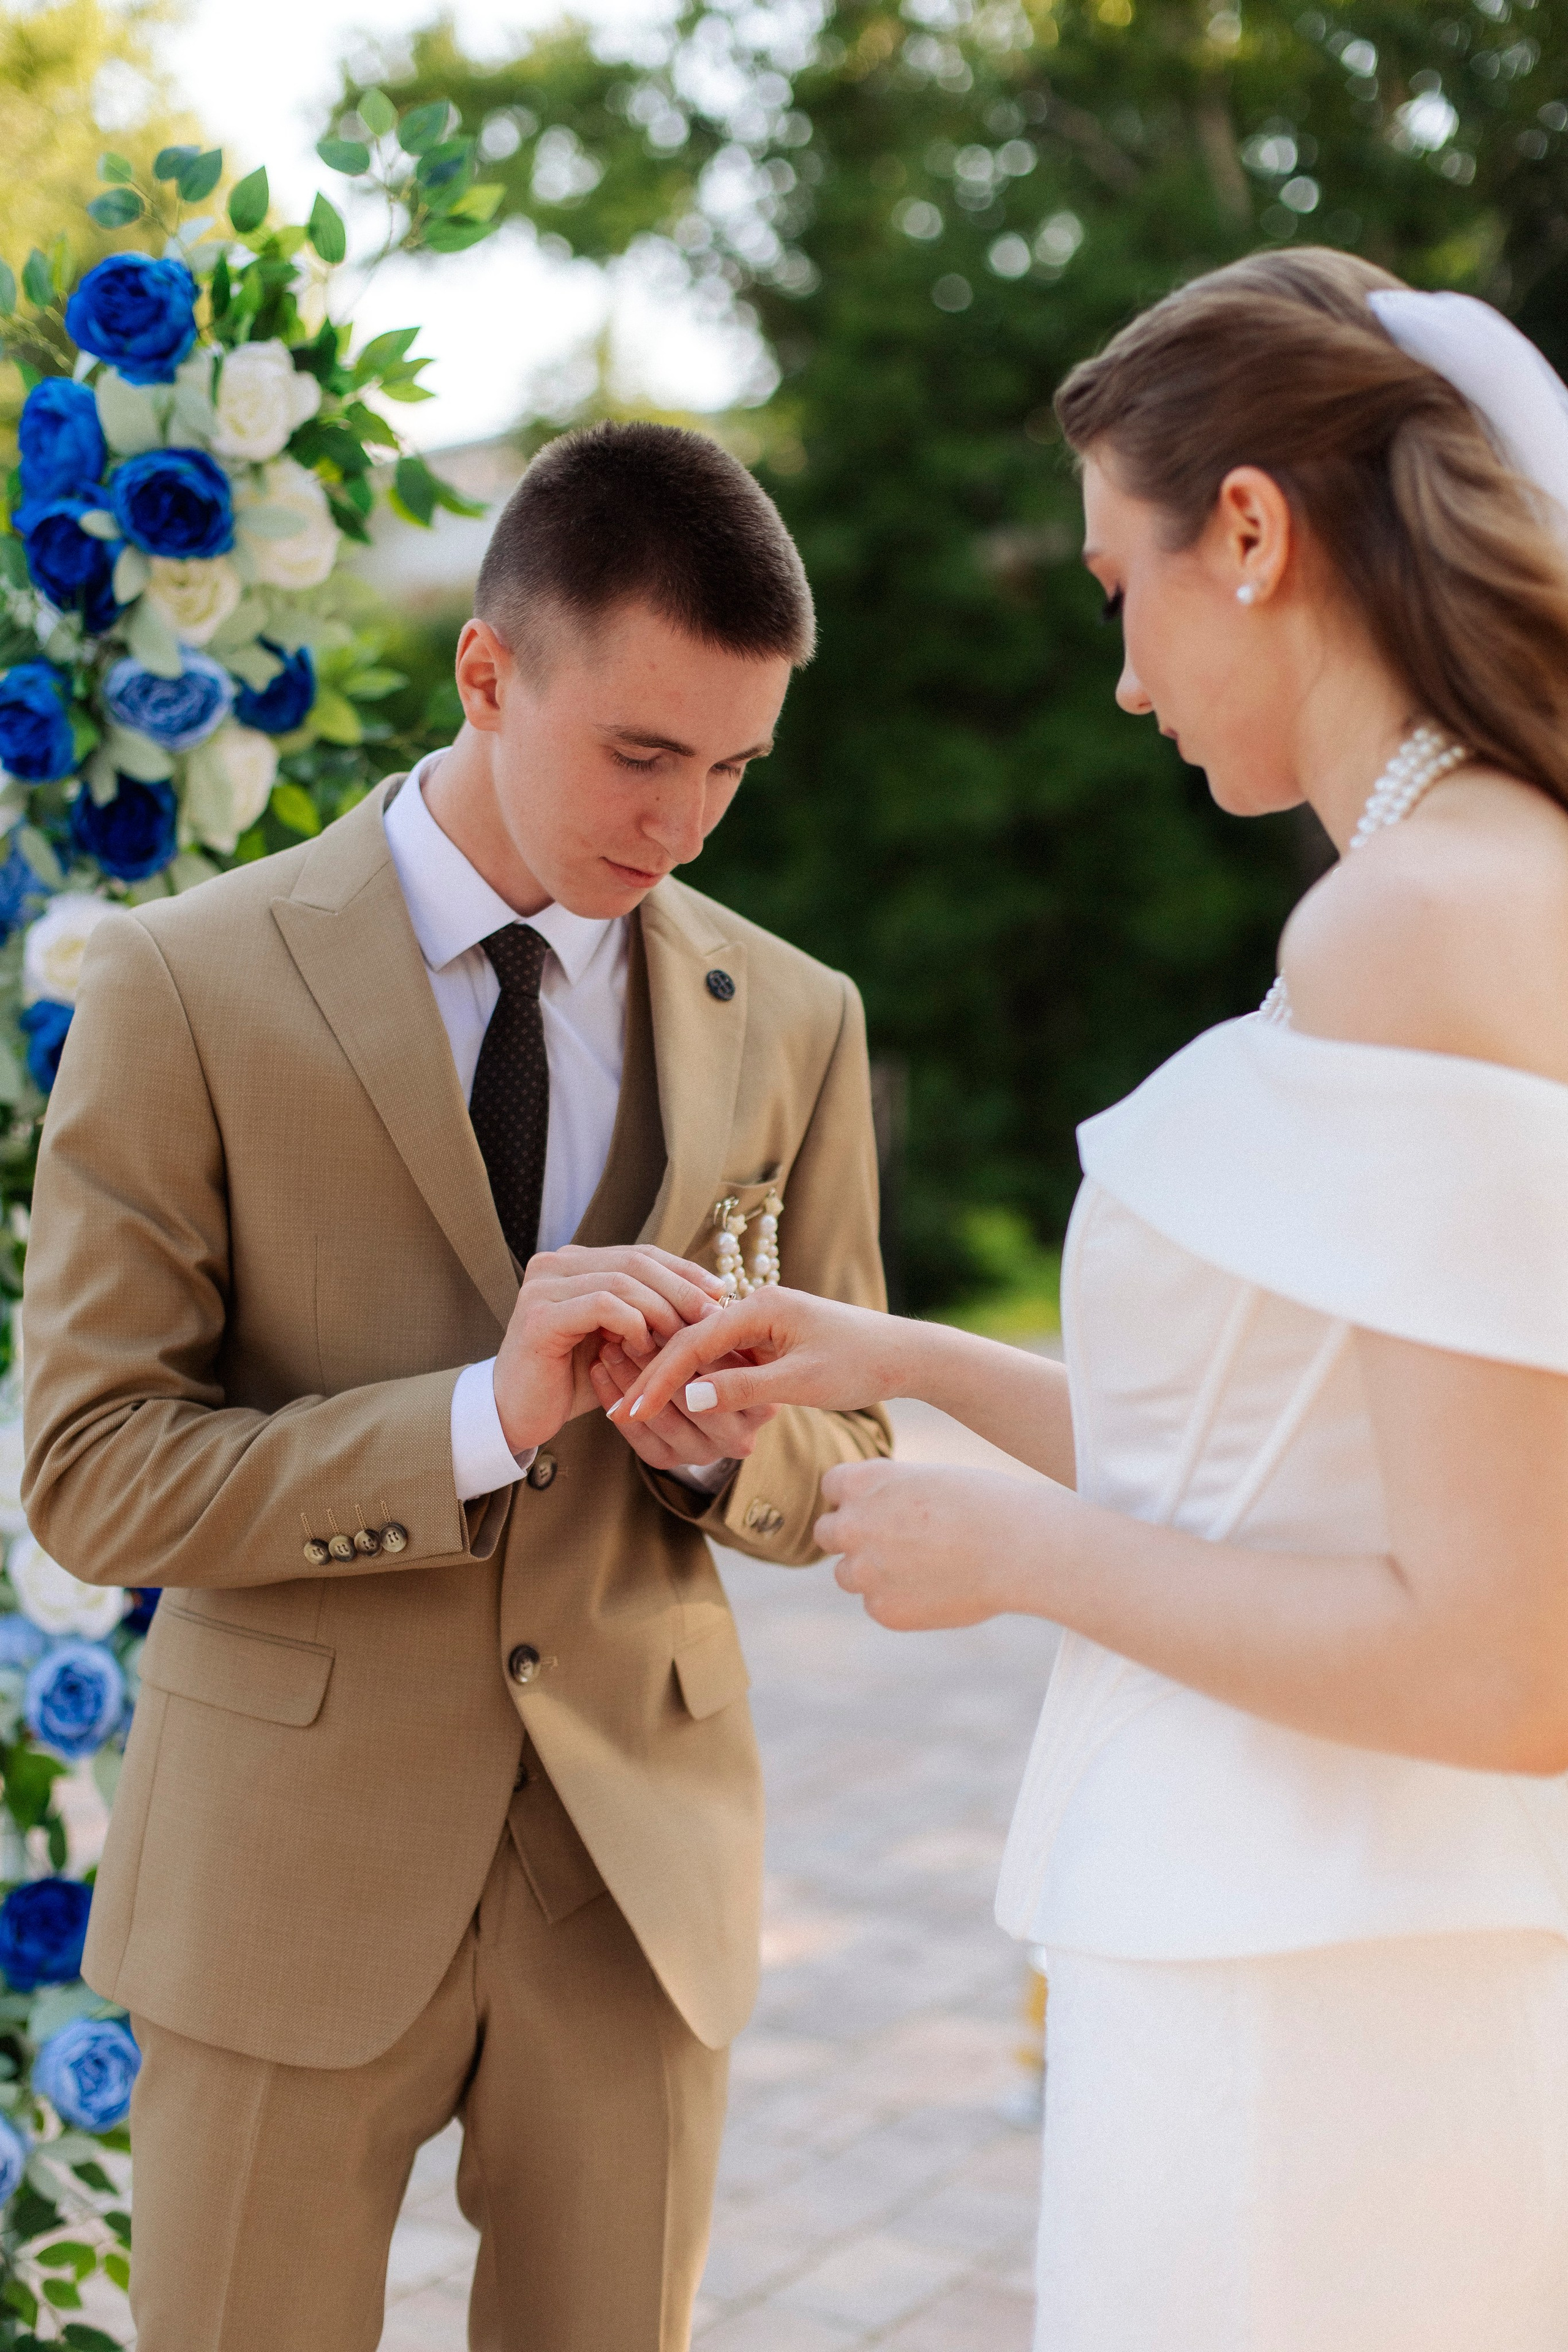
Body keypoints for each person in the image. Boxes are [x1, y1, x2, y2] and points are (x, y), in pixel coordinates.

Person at [615, 251, 1568, 2351]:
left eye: (1114, 589)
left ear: (1248, 532)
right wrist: (895, 1364)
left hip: (1313, 1987)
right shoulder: (1484, 879)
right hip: (1342, 1941)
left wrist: (1025, 1558)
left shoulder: (1414, 926)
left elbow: (1510, 1658)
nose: (1122, 680)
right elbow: (1293, 1461)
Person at [20, 421, 891, 2351]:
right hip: (285, 1873)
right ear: (488, 675)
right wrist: (475, 1423)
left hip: (634, 1873)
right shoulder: (184, 985)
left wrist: (715, 1454)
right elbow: (88, 1473)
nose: (684, 826)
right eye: (644, 754)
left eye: (735, 768)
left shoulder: (795, 1017)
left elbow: (853, 1437)